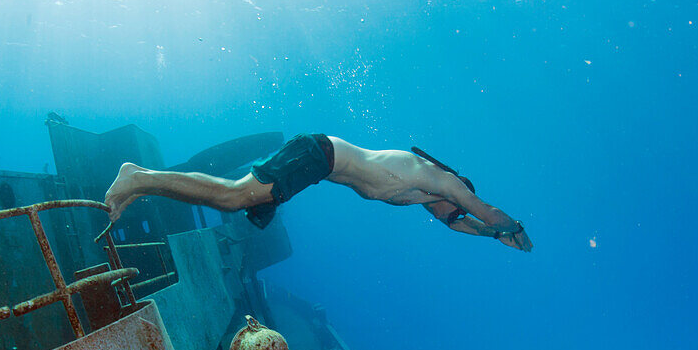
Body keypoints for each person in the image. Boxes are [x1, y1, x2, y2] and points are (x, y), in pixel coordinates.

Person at [102, 133, 532, 251]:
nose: (450, 214)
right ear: (455, 194)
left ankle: (143, 182)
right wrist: (513, 229)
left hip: (315, 166)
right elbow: (482, 210)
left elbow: (460, 224)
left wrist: (494, 238)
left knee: (236, 203)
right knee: (234, 197)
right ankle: (137, 176)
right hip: (318, 154)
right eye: (454, 209)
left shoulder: (422, 197)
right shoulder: (440, 180)